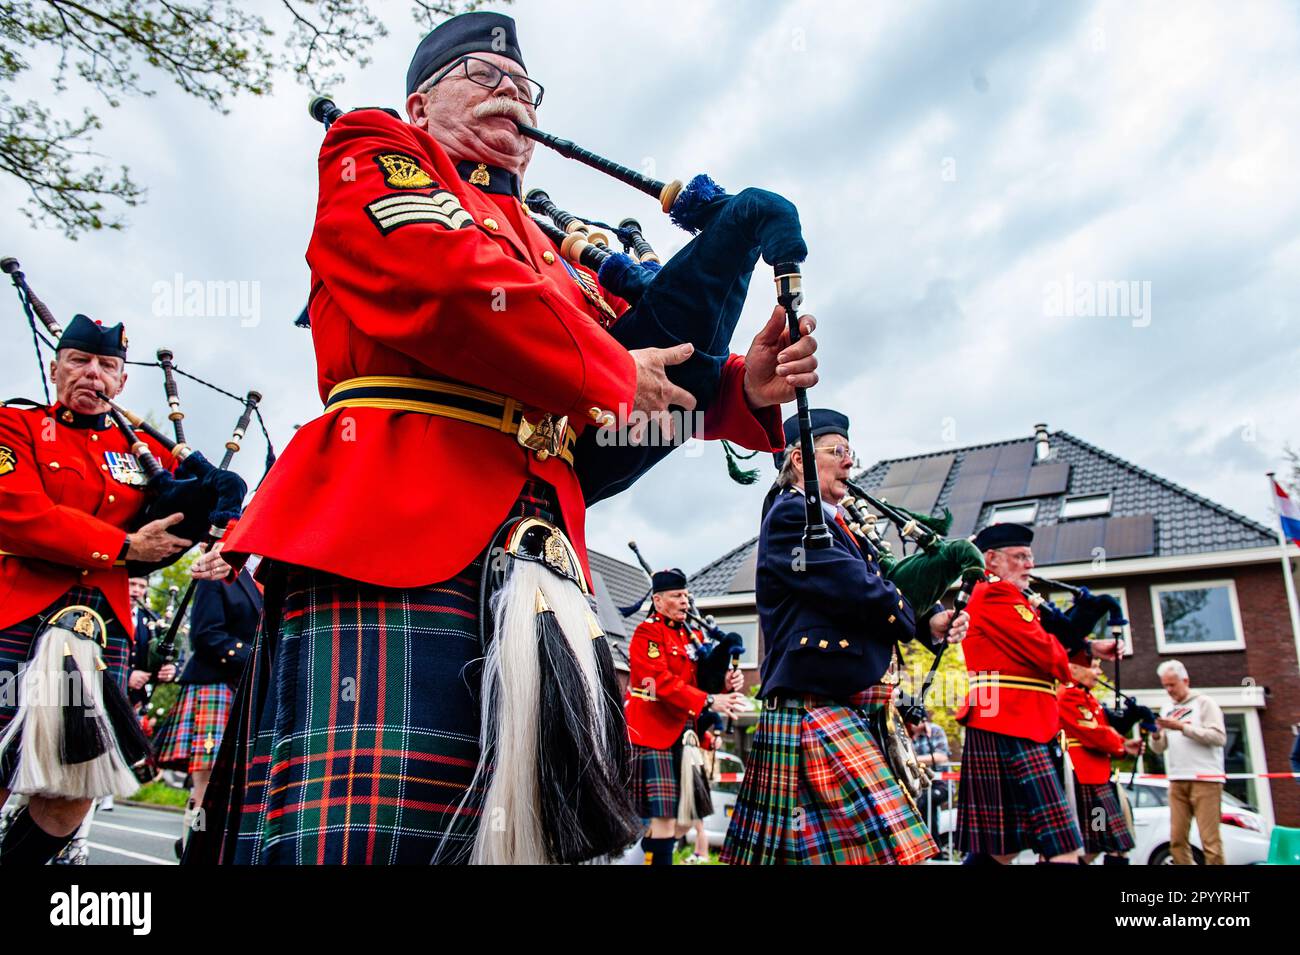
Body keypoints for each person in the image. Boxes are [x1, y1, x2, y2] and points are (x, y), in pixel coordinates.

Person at [188, 11, 816, 866]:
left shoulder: (554, 255)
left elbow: (625, 384)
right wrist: (614, 367)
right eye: (483, 75)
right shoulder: (374, 148)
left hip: (543, 563)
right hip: (395, 531)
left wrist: (739, 389)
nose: (511, 92)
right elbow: (440, 282)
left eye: (524, 84)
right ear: (419, 103)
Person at [722, 409, 969, 865]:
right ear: (799, 459)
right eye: (838, 452)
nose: (850, 463)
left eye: (850, 452)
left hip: (844, 705)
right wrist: (911, 610)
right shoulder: (792, 515)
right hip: (815, 708)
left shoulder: (837, 523)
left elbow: (875, 577)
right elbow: (858, 589)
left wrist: (931, 620)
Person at [0, 316, 191, 865]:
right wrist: (126, 546)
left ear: (124, 381)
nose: (93, 374)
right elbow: (17, 516)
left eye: (107, 365)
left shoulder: (146, 450)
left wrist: (217, 503)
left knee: (73, 792)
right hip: (18, 615)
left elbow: (186, 512)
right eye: (80, 361)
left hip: (103, 625)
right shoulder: (18, 427)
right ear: (55, 366)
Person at [954, 522, 1119, 865]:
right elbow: (1046, 653)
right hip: (1012, 721)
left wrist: (1086, 644)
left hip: (1012, 720)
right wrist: (1074, 643)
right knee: (1064, 847)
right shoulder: (998, 593)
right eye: (1020, 557)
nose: (1030, 565)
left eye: (1030, 557)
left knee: (1002, 849)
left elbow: (1035, 642)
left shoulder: (1005, 596)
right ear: (992, 560)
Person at [625, 570, 745, 865]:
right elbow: (658, 680)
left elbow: (700, 680)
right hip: (653, 732)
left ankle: (642, 858)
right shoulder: (648, 633)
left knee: (687, 820)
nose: (684, 600)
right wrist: (709, 700)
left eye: (685, 595)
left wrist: (726, 683)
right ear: (658, 600)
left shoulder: (691, 635)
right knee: (665, 819)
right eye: (677, 596)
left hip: (683, 733)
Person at [153, 568, 260, 858]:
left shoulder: (269, 576)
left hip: (249, 687)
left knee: (244, 782)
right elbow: (205, 635)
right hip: (215, 684)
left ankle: (213, 848)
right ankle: (193, 844)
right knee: (207, 783)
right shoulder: (217, 571)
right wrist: (256, 655)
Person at [1057, 656, 1142, 864]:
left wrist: (1123, 742)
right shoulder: (1068, 695)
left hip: (1098, 778)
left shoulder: (1087, 697)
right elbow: (1093, 733)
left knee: (1105, 844)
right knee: (1101, 844)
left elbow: (1103, 731)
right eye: (1093, 667)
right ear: (1074, 668)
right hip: (1087, 779)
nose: (1098, 673)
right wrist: (1121, 746)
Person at [1148, 659, 1226, 865]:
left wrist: (1182, 728)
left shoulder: (1204, 703)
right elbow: (1159, 748)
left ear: (1185, 680)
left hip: (1206, 779)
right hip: (1177, 779)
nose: (1169, 690)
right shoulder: (1166, 709)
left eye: (1172, 685)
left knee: (1210, 841)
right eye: (1165, 685)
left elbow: (1219, 737)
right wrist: (1155, 735)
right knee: (1176, 840)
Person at [908, 711, 950, 837]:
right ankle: (933, 850)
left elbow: (942, 757)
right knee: (922, 806)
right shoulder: (907, 736)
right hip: (920, 787)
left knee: (926, 801)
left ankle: (934, 847)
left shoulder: (935, 731)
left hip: (941, 785)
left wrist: (912, 760)